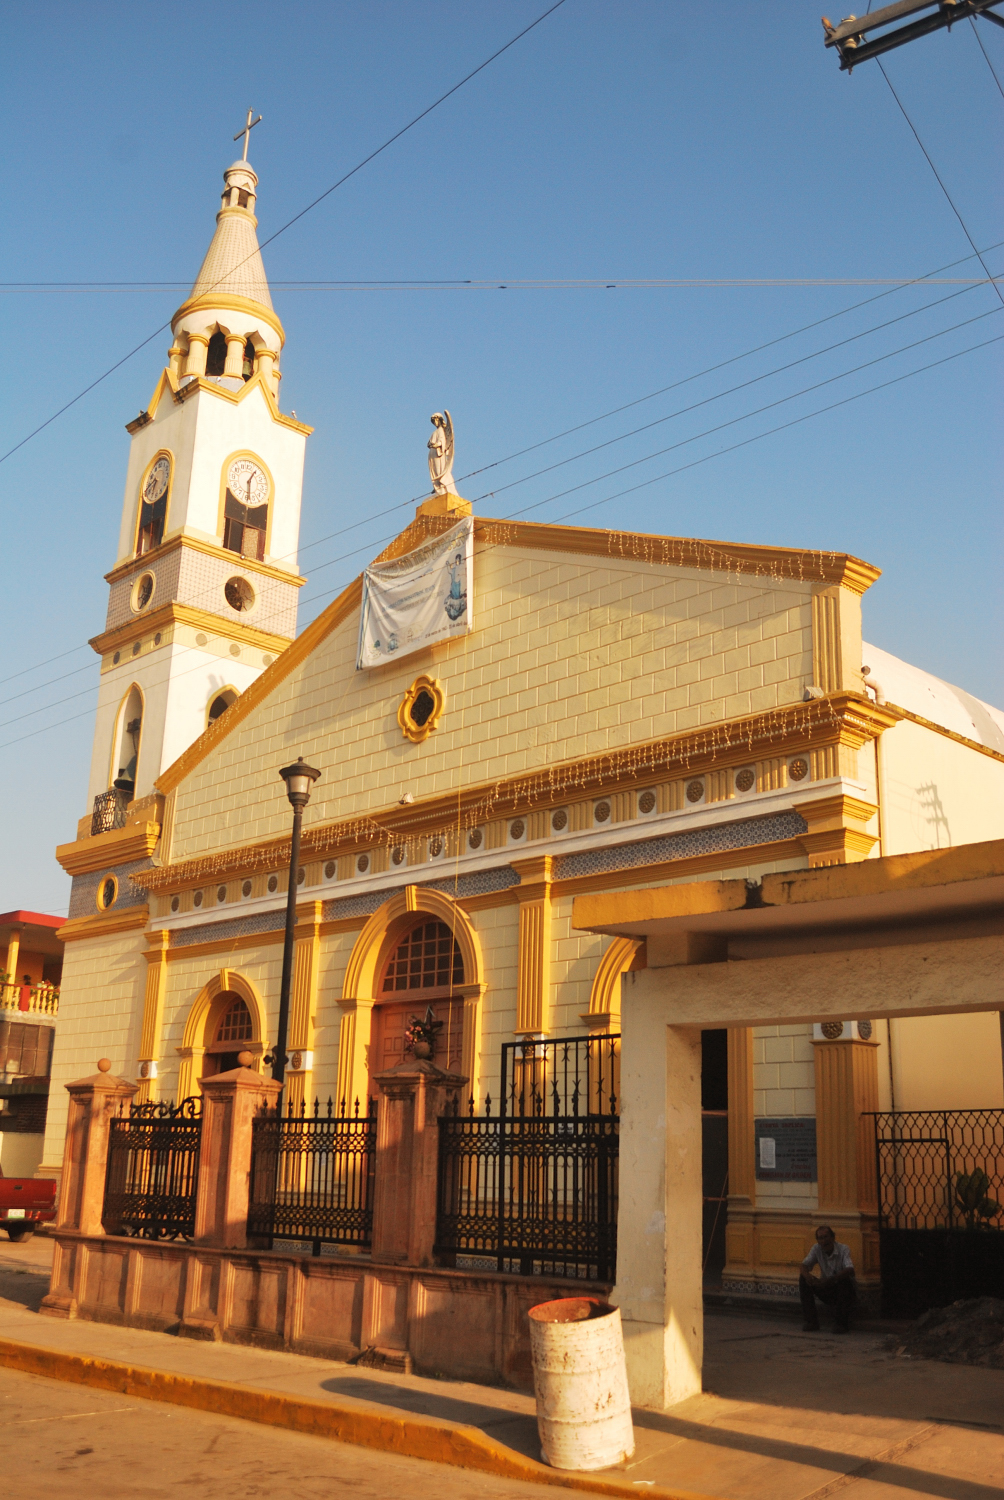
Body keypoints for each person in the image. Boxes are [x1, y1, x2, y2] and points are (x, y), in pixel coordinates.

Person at [799, 1225, 856, 1332]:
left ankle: (841, 1324)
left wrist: (831, 1279)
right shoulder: (816, 1248)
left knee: (844, 1280)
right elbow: (804, 1265)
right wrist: (808, 1277)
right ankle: (811, 1322)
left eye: (826, 1237)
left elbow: (850, 1269)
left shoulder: (843, 1249)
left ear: (833, 1238)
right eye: (820, 1238)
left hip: (842, 1290)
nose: (824, 1241)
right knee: (803, 1279)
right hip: (826, 1288)